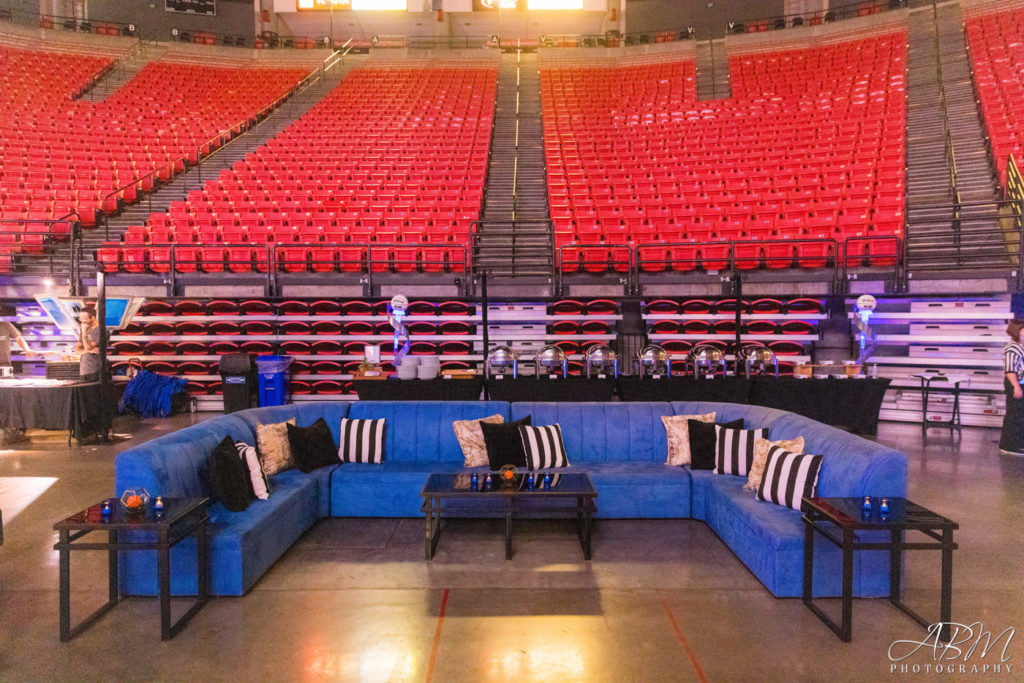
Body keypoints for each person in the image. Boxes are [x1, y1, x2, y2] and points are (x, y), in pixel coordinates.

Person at [1000, 319, 1024, 455]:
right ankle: (1008, 445)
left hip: (1021, 383)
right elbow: (1010, 370)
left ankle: (1018, 442)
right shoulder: (1012, 348)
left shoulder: (1021, 345)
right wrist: (1016, 387)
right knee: (1014, 414)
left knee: (1020, 414)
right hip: (1015, 383)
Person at [75, 307, 103, 380]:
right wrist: (88, 351)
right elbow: (77, 350)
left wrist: (84, 333)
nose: (82, 322)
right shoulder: (86, 328)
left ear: (93, 318)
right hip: (84, 371)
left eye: (84, 319)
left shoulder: (101, 331)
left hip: (95, 370)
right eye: (80, 319)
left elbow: (87, 347)